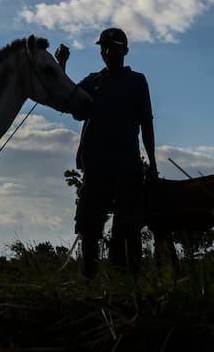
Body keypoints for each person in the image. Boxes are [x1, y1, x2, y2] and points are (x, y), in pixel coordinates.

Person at [56, 27, 157, 277]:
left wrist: (152, 163)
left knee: (128, 225)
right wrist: (62, 64)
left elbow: (147, 122)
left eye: (112, 47)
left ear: (125, 51)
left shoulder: (136, 81)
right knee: (89, 225)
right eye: (103, 47)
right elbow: (68, 101)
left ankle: (128, 280)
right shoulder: (93, 81)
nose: (106, 52)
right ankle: (89, 278)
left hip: (127, 163)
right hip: (96, 163)